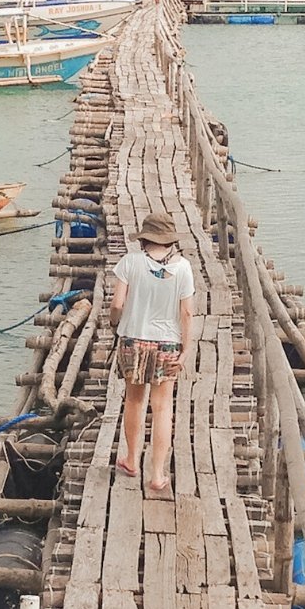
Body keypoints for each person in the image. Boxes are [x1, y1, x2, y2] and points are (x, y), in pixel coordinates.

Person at [110, 211, 194, 493]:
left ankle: (132, 460)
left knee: (134, 402)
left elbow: (118, 304)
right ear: (170, 241)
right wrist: (186, 348)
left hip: (133, 340)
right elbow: (187, 313)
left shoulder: (130, 262)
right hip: (167, 345)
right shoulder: (183, 268)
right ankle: (157, 474)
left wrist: (115, 323)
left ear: (144, 239)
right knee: (162, 409)